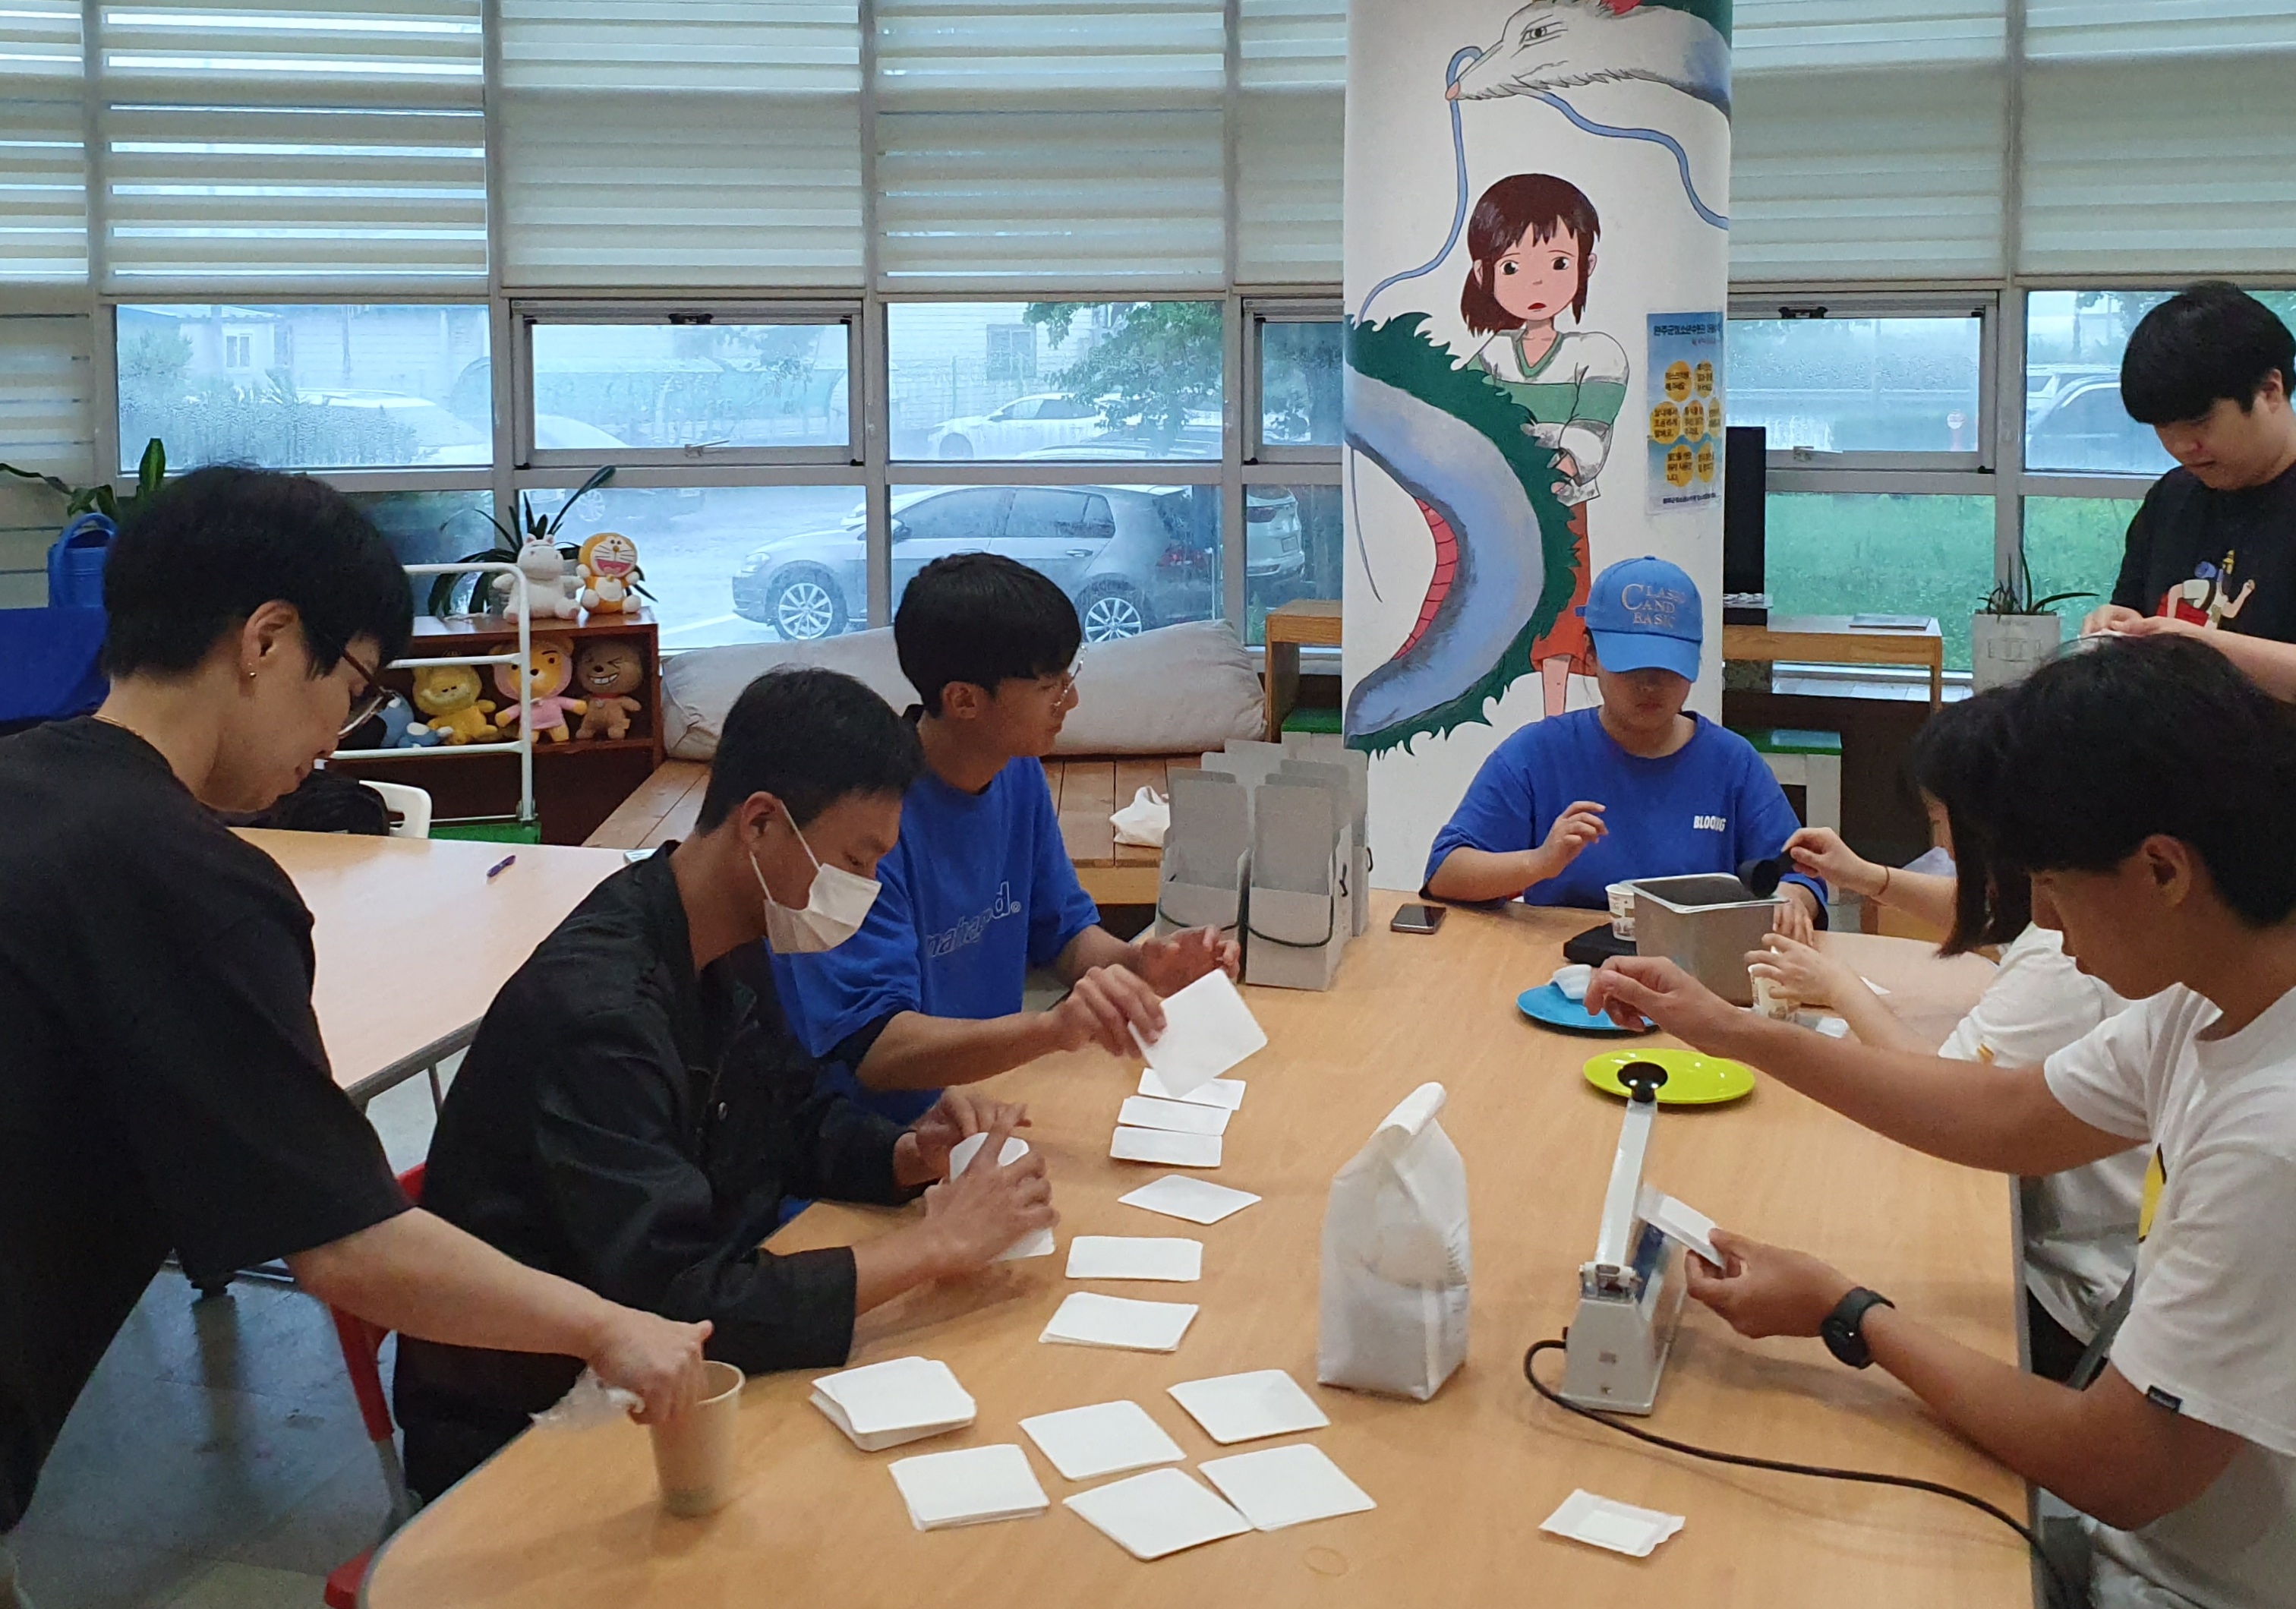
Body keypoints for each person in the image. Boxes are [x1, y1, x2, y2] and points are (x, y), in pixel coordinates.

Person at [0, 469, 708, 1598]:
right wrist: (608, 1326)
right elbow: (347, 1242)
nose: (339, 741)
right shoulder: (191, 881)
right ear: (268, 641)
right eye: (355, 689)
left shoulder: (25, 781)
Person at [1586, 636, 2296, 1609]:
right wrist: (1726, 1027)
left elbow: (2122, 1467)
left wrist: (1847, 1313)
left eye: (2053, 887)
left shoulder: (2271, 1135)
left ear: (2163, 870)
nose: (2043, 921)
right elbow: (2010, 1113)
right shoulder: (2208, 997)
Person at [394, 668, 1057, 1497]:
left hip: (668, 1372)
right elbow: (676, 1297)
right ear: (762, 823)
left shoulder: (725, 933)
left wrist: (906, 1155)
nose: (867, 890)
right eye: (858, 859)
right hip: (533, 1424)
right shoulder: (600, 1010)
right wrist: (930, 1248)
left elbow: (791, 1110)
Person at [1752, 701, 2141, 1383]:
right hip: (2088, 1257)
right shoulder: (2072, 913)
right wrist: (1867, 877)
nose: (1941, 841)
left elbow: (1943, 1092)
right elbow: (1999, 918)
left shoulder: (2062, 957)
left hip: (2070, 1291)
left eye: (1940, 820)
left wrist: (1836, 985)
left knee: (1836, 1250)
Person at [774, 554, 1238, 1124]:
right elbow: (877, 1049)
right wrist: (1050, 1029)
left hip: (993, 1102)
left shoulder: (1016, 773)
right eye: (1049, 686)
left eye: (1069, 678)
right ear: (964, 700)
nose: (1070, 701)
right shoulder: (866, 823)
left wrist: (1142, 964)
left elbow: (1061, 935)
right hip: (886, 1136)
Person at [1421, 554, 1824, 940]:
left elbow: (1800, 873)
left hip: (1693, 969)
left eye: (1667, 669)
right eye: (1631, 668)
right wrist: (1539, 862)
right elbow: (1445, 873)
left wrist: (1791, 901)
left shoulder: (1733, 764)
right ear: (1590, 656)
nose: (1650, 685)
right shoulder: (1537, 754)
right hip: (1563, 966)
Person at [1459, 172, 1630, 717]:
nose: (1537, 283)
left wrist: (1553, 459)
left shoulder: (1598, 353)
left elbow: (1591, 431)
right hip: (1501, 507)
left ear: (1586, 265)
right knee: (1498, 604)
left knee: (1561, 607)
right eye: (1513, 267)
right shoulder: (1491, 356)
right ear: (1485, 273)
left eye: (1557, 263)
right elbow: (1467, 419)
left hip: (1560, 508)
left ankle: (1553, 713)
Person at [2083, 282, 2296, 645]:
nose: (2183, 447)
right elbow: (2135, 610)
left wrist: (2196, 645)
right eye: (2164, 428)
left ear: (2269, 391)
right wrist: (2121, 624)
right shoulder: (2172, 497)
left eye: (2200, 422)